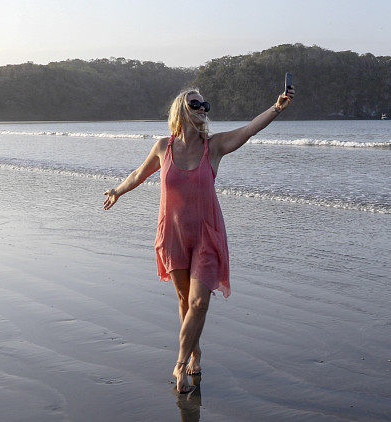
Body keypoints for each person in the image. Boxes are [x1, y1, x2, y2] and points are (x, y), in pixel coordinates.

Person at [103, 86, 295, 393]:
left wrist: (277, 108)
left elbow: (248, 129)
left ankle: (179, 364)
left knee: (198, 302)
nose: (203, 108)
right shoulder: (163, 146)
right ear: (181, 109)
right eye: (196, 103)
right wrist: (117, 190)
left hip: (206, 235)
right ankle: (194, 352)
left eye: (205, 104)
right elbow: (139, 174)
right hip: (173, 234)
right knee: (183, 301)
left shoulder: (214, 147)